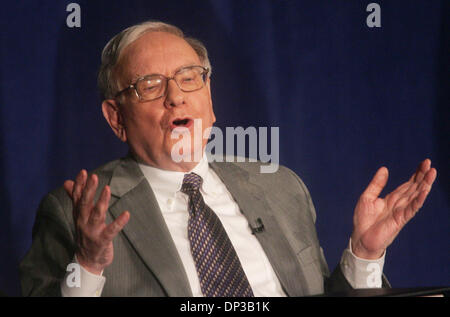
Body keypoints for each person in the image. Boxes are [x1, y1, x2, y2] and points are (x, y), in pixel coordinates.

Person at [19, 21, 437, 297]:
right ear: (116, 118)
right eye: (150, 85)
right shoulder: (76, 213)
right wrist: (88, 266)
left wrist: (363, 256)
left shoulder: (280, 186)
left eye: (189, 77)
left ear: (209, 98)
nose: (176, 95)